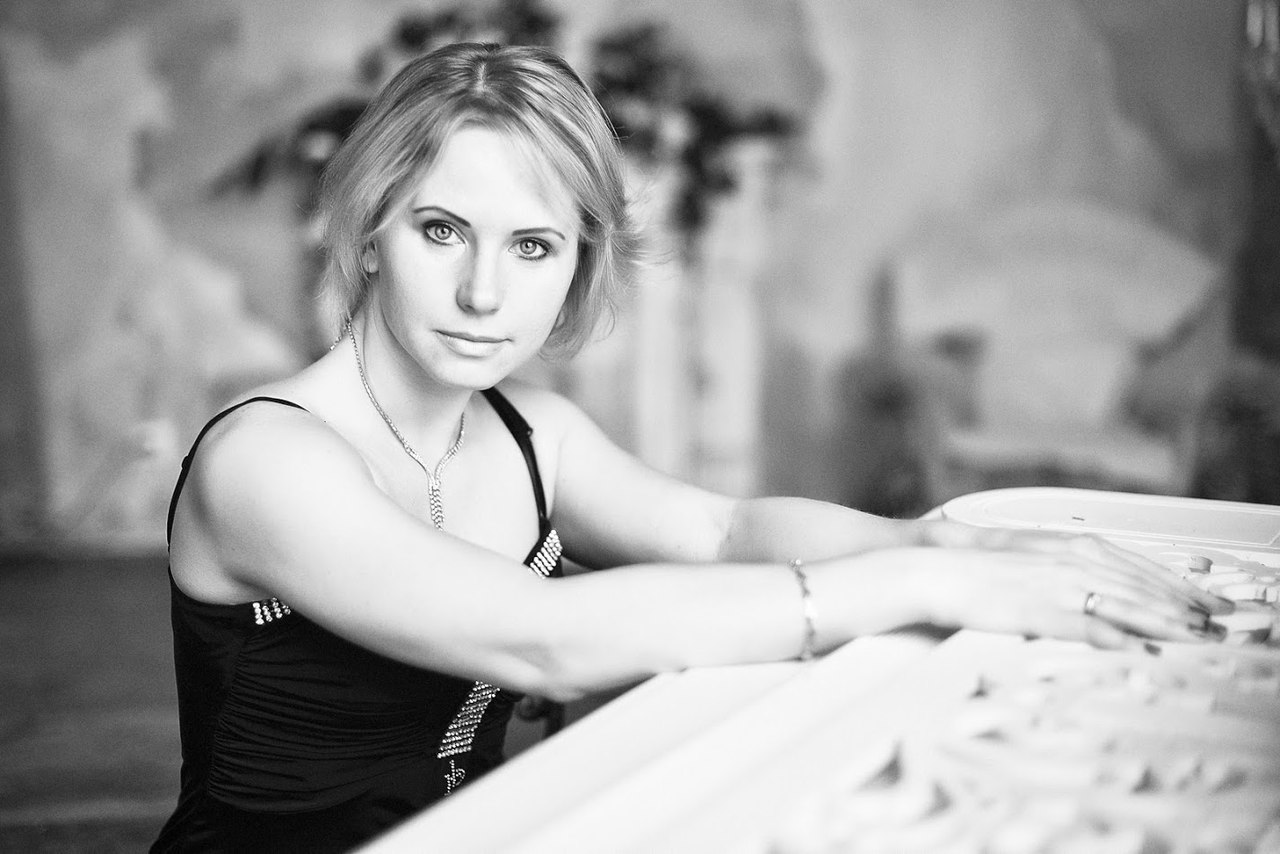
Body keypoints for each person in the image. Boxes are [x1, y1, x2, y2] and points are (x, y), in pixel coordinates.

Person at [150, 41, 1231, 853]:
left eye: (533, 247)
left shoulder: (534, 433)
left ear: (577, 265)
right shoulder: (266, 461)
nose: (484, 292)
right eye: (442, 231)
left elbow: (721, 529)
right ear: (370, 231)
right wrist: (915, 582)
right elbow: (538, 640)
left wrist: (941, 543)